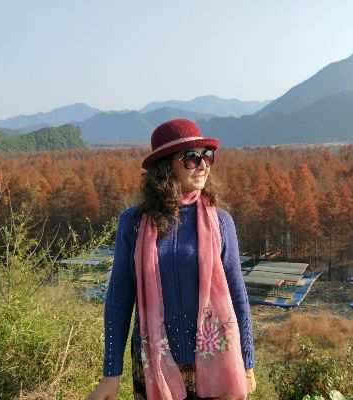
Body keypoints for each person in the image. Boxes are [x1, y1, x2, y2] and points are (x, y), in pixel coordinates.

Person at [86, 119, 256, 400]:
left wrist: (247, 363)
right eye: (191, 158)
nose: (203, 165)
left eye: (207, 156)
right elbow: (119, 298)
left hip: (216, 365)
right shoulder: (134, 223)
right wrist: (110, 373)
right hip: (153, 366)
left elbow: (238, 295)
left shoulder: (221, 223)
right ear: (165, 166)